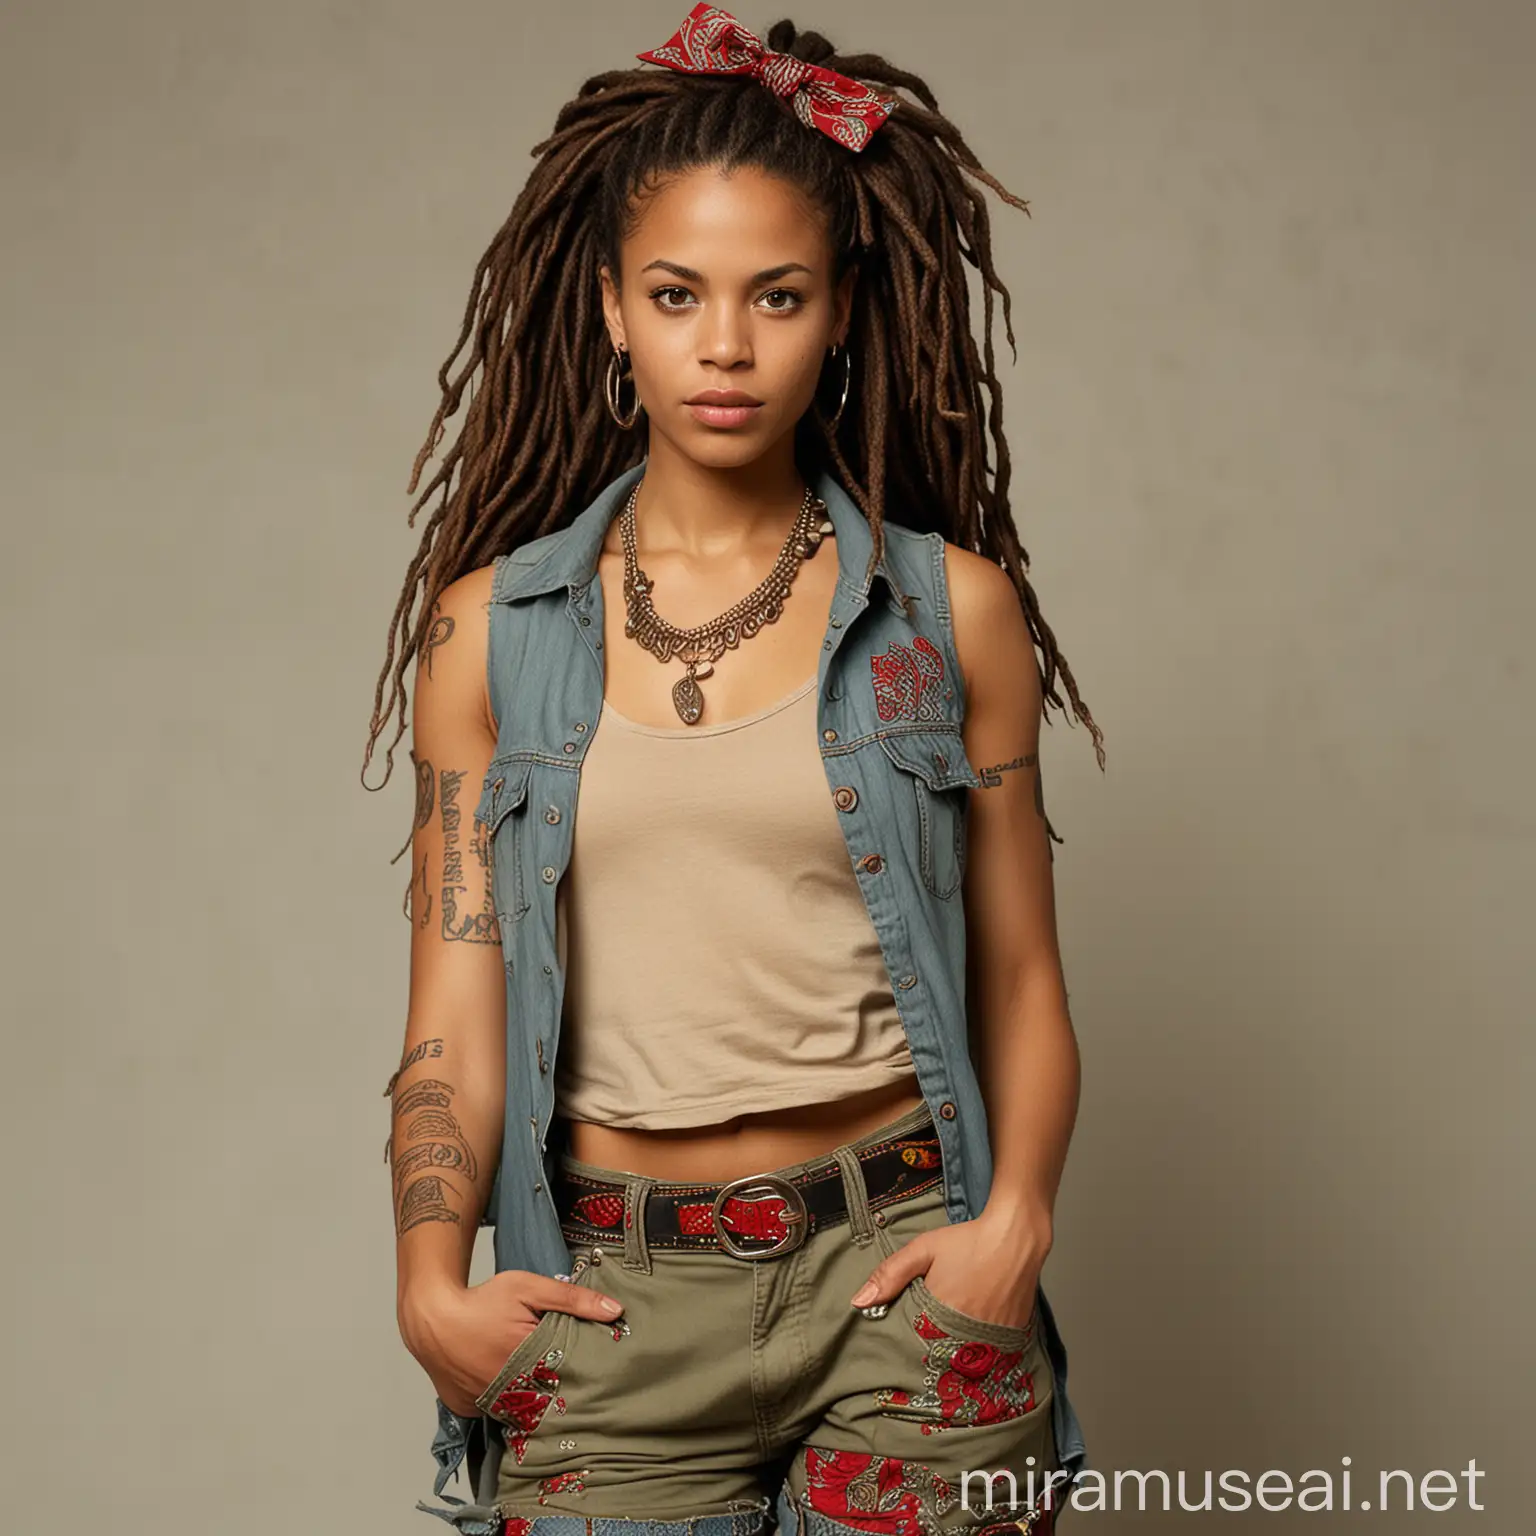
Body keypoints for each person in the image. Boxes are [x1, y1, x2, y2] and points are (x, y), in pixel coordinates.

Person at [362, 9, 1105, 1536]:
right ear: (610, 308)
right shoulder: (488, 639)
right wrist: (427, 1285)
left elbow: (1025, 974)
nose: (724, 344)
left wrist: (1013, 1223)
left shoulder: (950, 615)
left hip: (904, 1279)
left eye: (777, 294)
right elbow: (453, 1004)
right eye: (677, 293)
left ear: (840, 311)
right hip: (611, 1308)